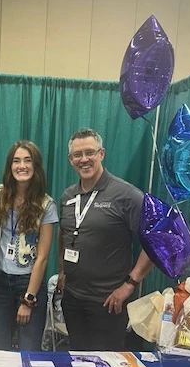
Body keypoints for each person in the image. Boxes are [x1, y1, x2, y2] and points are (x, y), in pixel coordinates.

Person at [58, 128, 153, 351]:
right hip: (72, 298)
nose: (84, 160)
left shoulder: (127, 195)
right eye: (77, 155)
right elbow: (64, 233)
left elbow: (154, 241)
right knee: (77, 362)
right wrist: (62, 269)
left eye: (89, 152)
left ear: (102, 154)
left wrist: (129, 285)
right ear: (71, 160)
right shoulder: (67, 196)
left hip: (108, 302)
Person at [0, 140, 58, 351]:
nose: (21, 166)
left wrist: (28, 300)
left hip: (28, 283)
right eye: (16, 161)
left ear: (35, 166)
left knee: (28, 350)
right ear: (10, 166)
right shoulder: (0, 196)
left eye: (27, 160)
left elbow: (43, 257)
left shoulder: (46, 204)